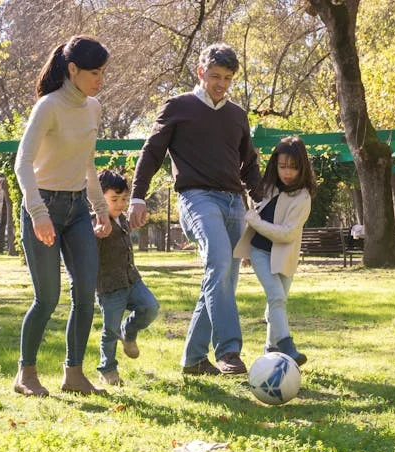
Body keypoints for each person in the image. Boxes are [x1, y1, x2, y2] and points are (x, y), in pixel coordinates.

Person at [128, 43, 261, 376]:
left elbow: (249, 164)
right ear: (201, 72)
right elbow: (152, 152)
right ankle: (229, 350)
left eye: (227, 78)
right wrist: (137, 196)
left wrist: (259, 202)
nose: (221, 84)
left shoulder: (237, 115)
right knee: (219, 263)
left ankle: (194, 359)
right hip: (196, 199)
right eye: (215, 76)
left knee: (223, 279)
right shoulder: (178, 107)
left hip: (233, 202)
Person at [13, 36, 111, 397]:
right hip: (43, 206)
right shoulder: (48, 107)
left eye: (103, 72)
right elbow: (22, 162)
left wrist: (100, 209)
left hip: (77, 210)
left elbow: (88, 163)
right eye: (94, 72)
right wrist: (38, 212)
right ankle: (26, 374)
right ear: (72, 69)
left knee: (86, 294)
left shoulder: (93, 108)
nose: (100, 79)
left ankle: (74, 374)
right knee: (47, 298)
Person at [233, 136, 316, 366]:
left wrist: (255, 222)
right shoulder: (265, 187)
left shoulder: (303, 197)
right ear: (275, 165)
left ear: (302, 167)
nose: (287, 172)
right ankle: (287, 346)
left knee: (277, 302)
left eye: (293, 167)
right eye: (282, 166)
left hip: (285, 257)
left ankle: (270, 350)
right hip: (260, 251)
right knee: (276, 296)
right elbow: (253, 204)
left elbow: (287, 233)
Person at [94, 170, 160, 386]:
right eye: (114, 199)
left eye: (124, 199)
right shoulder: (93, 222)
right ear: (98, 198)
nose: (120, 204)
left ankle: (128, 332)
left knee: (150, 307)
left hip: (132, 280)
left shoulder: (122, 218)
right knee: (110, 330)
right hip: (110, 286)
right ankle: (107, 369)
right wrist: (95, 235)